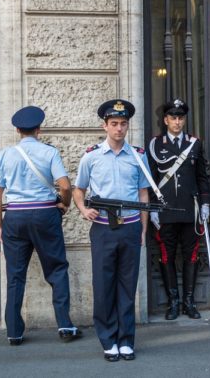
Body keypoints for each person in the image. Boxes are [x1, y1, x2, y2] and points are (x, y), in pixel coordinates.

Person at [0, 106, 80, 346]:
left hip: (15, 218)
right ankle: (64, 325)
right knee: (57, 270)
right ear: (38, 129)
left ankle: (14, 332)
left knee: (15, 276)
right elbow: (66, 186)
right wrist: (65, 204)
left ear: (18, 130)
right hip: (45, 215)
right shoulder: (49, 153)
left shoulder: (4, 155)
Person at [73, 99, 150, 362]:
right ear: (104, 126)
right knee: (104, 285)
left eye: (123, 123)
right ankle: (108, 340)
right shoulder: (91, 156)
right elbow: (78, 189)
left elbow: (143, 193)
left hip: (129, 227)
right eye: (114, 124)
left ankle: (126, 340)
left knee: (127, 286)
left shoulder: (138, 157)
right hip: (103, 229)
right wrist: (84, 210)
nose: (119, 128)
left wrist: (142, 228)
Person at [147, 99, 210, 320]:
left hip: (190, 210)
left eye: (180, 118)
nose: (177, 121)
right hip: (165, 211)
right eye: (173, 117)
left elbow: (202, 176)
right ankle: (173, 302)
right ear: (165, 120)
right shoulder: (155, 144)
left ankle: (189, 302)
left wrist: (205, 204)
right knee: (167, 256)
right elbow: (151, 180)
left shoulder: (195, 143)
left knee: (191, 255)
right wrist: (153, 208)